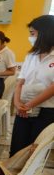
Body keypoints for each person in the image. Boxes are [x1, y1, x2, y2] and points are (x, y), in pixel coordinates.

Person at [10, 15, 54, 156]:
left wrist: (30, 105)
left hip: (46, 111)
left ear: (45, 33)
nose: (30, 37)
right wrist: (17, 103)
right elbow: (20, 81)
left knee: (34, 152)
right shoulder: (31, 56)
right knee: (17, 150)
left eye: (32, 33)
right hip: (23, 109)